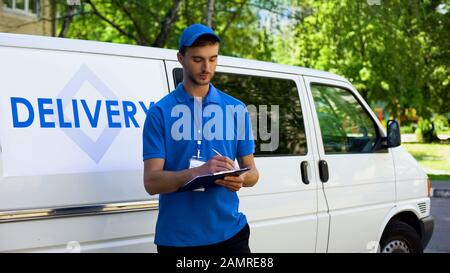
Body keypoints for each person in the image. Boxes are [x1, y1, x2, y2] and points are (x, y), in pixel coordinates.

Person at [142, 23, 259, 254]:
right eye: (198, 60)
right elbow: (151, 183)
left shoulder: (236, 109)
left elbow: (253, 173)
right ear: (181, 58)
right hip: (178, 241)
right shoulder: (160, 113)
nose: (207, 67)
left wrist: (240, 180)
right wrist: (199, 172)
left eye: (213, 59)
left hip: (231, 235)